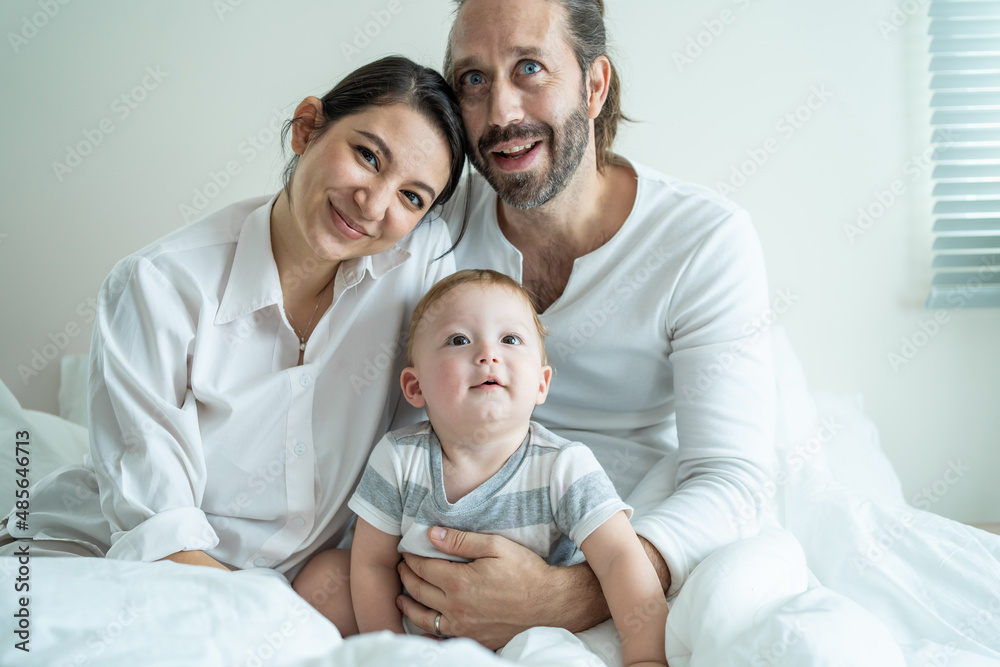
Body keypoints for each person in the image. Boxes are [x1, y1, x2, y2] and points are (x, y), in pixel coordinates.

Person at [390, 0, 778, 650]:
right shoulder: (433, 222)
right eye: (474, 80)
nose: (502, 114)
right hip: (463, 531)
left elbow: (731, 479)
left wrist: (571, 591)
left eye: (530, 68)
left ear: (594, 86)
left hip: (635, 531)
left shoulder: (703, 239)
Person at [0, 57, 466, 598]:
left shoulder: (417, 262)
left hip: (262, 595)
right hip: (98, 562)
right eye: (367, 156)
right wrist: (280, 622)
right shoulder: (159, 286)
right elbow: (161, 539)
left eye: (413, 196)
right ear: (306, 127)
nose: (375, 202)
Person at [296, 269, 668, 666]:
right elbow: (373, 562)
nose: (488, 354)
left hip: (523, 635)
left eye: (510, 339)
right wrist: (393, 650)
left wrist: (645, 657)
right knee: (324, 578)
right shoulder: (399, 458)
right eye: (459, 340)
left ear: (542, 384)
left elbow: (619, 559)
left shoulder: (563, 466)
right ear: (415, 387)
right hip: (416, 621)